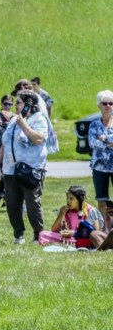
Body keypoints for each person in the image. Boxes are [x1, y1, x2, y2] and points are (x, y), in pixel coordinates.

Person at [0, 89, 51, 244]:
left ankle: (38, 235)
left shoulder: (40, 119)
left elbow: (39, 139)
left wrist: (25, 126)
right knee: (12, 204)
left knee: (32, 204)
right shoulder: (14, 120)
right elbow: (5, 144)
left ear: (28, 104)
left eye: (18, 102)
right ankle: (18, 235)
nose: (15, 105)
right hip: (10, 169)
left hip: (30, 169)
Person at [39, 185, 107, 248]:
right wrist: (62, 213)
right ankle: (70, 244)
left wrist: (74, 233)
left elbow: (96, 233)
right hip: (69, 238)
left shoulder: (90, 211)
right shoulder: (67, 211)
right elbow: (54, 230)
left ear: (80, 200)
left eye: (71, 199)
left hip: (85, 239)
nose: (68, 201)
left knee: (92, 239)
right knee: (42, 234)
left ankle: (69, 244)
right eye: (67, 198)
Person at [88, 90, 113, 225]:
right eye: (105, 103)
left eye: (111, 103)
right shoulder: (94, 124)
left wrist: (104, 139)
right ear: (99, 105)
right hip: (99, 167)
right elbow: (92, 143)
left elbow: (99, 142)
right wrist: (110, 143)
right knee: (102, 199)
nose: (108, 106)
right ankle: (104, 227)